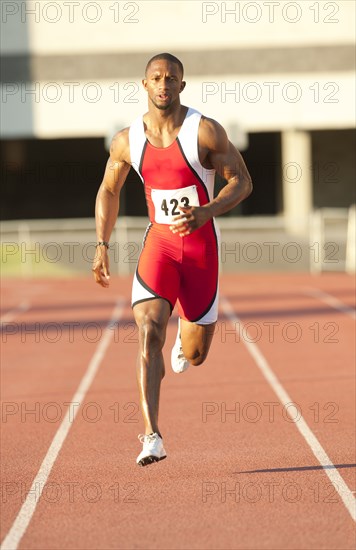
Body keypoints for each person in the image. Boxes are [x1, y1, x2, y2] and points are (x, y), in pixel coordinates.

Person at [92, 53, 252, 467]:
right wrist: (102, 244)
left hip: (201, 250)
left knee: (195, 356)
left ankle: (187, 337)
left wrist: (206, 211)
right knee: (148, 334)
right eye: (157, 78)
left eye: (172, 78)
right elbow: (109, 190)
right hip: (159, 246)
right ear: (144, 85)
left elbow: (242, 181)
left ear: (182, 85)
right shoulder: (127, 140)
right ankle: (152, 437)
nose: (164, 84)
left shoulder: (206, 132)